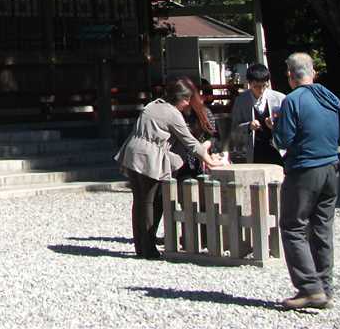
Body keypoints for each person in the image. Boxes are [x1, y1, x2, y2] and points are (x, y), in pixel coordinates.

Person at [115, 77, 226, 260]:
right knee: (150, 202)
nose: (187, 103)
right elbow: (190, 142)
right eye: (187, 100)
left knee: (139, 202)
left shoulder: (153, 105)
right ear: (182, 99)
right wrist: (211, 161)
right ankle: (149, 249)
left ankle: (140, 247)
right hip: (148, 157)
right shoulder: (173, 113)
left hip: (131, 152)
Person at [272, 52, 340, 311]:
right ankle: (325, 287)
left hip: (305, 169)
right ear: (313, 72)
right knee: (322, 228)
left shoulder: (293, 101)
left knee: (293, 226)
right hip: (331, 168)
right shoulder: (329, 97)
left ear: (290, 76)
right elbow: (339, 136)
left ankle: (309, 288)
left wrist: (274, 127)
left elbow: (282, 140)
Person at [228, 63, 286, 165]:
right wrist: (248, 126)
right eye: (256, 86)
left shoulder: (280, 99)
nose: (261, 90)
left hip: (277, 152)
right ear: (249, 84)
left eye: (264, 85)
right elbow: (234, 129)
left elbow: (288, 127)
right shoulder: (241, 101)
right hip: (253, 152)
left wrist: (275, 126)